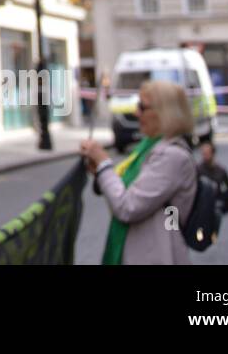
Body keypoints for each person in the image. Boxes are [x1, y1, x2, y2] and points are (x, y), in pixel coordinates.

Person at [79, 80, 198, 264]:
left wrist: (104, 163)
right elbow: (123, 191)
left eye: (142, 107)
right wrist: (101, 174)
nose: (136, 113)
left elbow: (127, 206)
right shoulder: (149, 148)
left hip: (157, 256)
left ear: (163, 112)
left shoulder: (172, 157)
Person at [196, 140, 228, 215]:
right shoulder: (198, 169)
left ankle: (220, 206)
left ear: (213, 154)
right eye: (203, 154)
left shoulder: (221, 170)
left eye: (207, 154)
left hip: (216, 196)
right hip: (203, 198)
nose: (204, 156)